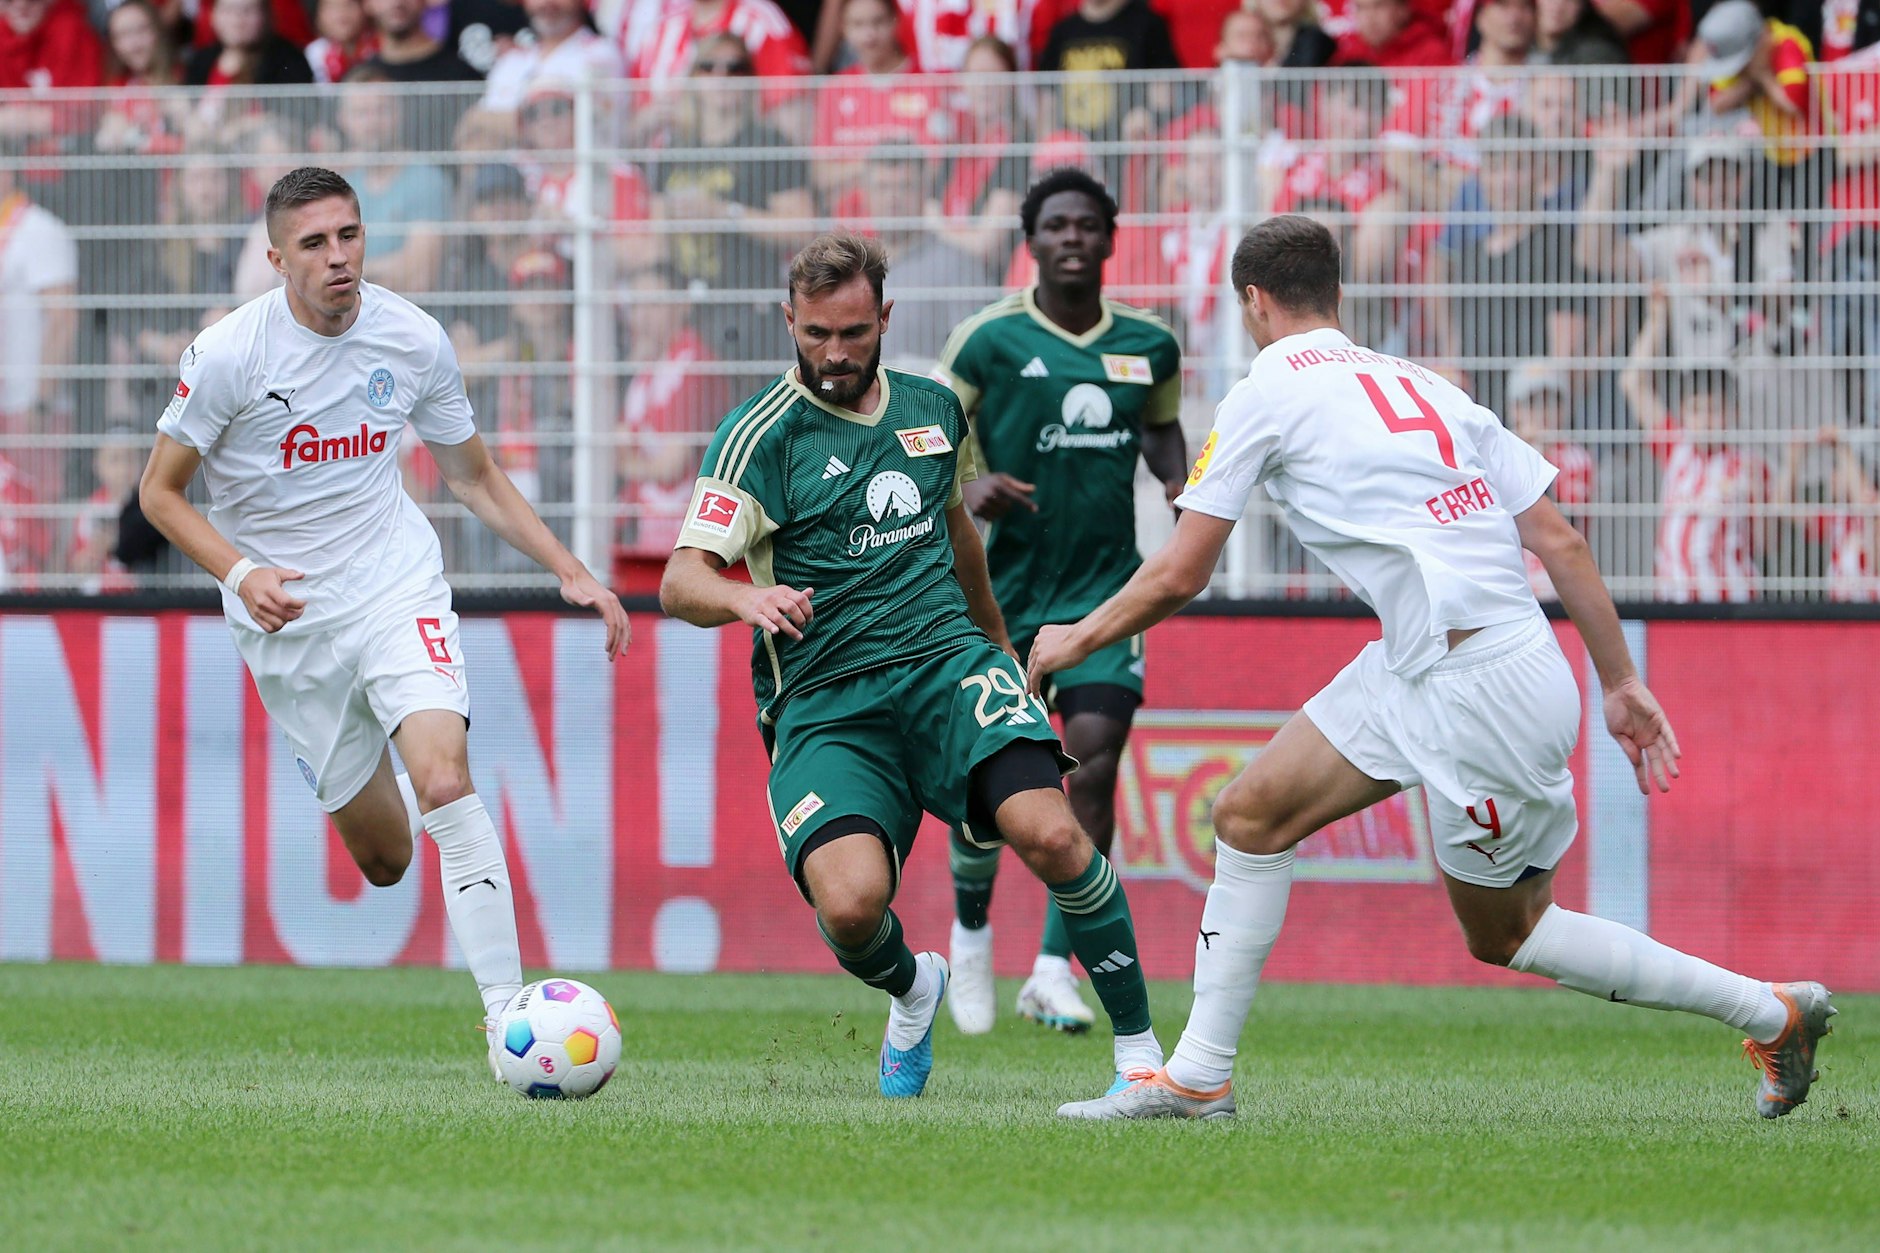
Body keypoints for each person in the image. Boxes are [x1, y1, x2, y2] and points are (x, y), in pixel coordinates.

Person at [1033, 215, 1835, 1122]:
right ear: (1337, 294)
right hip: (1445, 660)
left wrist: (1073, 639)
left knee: (1509, 931)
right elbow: (1561, 541)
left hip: (1475, 691)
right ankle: (1199, 1076)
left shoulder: (1264, 393)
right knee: (1248, 815)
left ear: (1252, 302)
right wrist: (1619, 681)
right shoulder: (1425, 384)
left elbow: (1183, 570)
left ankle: (1769, 1011)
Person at [137, 167, 629, 1078]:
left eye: (350, 235)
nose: (339, 257)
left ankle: (506, 1020)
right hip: (288, 621)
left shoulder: (410, 337)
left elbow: (472, 474)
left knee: (444, 776)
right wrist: (240, 573)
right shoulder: (230, 354)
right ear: (276, 258)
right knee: (386, 858)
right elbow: (157, 494)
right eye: (315, 243)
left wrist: (570, 568)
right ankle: (387, 782)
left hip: (394, 585)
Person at [659, 230, 1160, 1101]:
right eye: (817, 332)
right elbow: (679, 579)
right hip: (826, 699)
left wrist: (997, 644)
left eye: (854, 332)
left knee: (1053, 833)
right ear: (788, 320)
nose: (835, 352)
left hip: (948, 667)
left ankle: (1144, 1058)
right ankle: (915, 987)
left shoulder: (933, 408)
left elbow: (961, 537)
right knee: (852, 907)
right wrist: (746, 599)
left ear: (886, 317)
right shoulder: (759, 435)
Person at [933, 168, 1185, 1036]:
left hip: (1106, 593)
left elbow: (1160, 429)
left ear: (1110, 238)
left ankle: (1050, 967)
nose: (1072, 237)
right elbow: (923, 438)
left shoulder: (1150, 344)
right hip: (998, 598)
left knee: (1096, 759)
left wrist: (1182, 487)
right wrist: (969, 488)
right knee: (992, 781)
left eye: (1087, 224)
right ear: (1031, 241)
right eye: (1056, 225)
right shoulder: (987, 340)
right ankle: (971, 936)